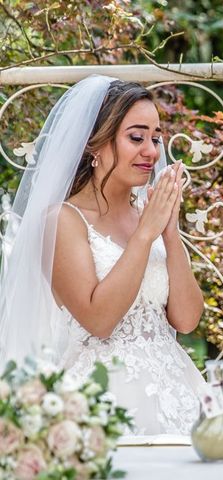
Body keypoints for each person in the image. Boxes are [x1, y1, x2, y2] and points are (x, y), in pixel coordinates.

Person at [0, 75, 206, 435]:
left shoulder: (151, 215)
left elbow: (187, 320)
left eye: (155, 138)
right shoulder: (62, 221)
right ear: (95, 144)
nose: (152, 152)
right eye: (136, 137)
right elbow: (99, 320)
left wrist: (170, 233)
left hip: (178, 391)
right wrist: (146, 234)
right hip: (104, 401)